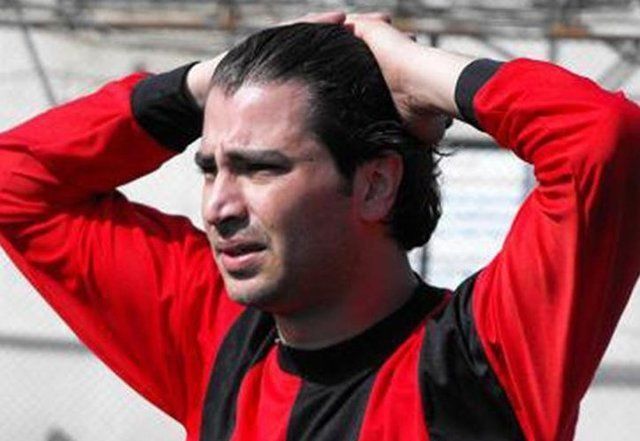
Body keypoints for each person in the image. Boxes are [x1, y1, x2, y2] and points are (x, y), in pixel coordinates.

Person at [0, 11, 638, 441]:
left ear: (375, 185)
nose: (218, 206)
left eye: (261, 168)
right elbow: (16, 182)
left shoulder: (481, 359)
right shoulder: (215, 334)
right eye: (210, 168)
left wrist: (414, 69)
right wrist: (207, 82)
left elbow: (602, 139)